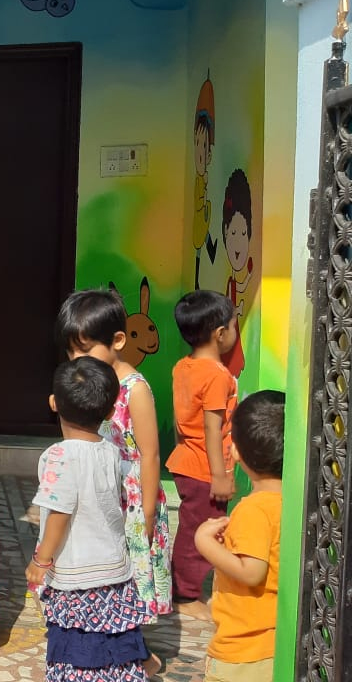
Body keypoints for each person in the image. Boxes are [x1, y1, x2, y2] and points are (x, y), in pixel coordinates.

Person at [57, 289, 172, 670]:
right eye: (71, 352)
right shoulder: (88, 384)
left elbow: (150, 454)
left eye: (85, 350)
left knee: (131, 580)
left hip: (133, 504)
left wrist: (148, 512)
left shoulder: (135, 389)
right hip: (102, 498)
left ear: (118, 341)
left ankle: (140, 656)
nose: (77, 360)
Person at [26, 357, 150, 681]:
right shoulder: (111, 451)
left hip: (76, 577)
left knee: (77, 648)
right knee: (113, 641)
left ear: (53, 403)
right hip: (114, 570)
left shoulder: (58, 456)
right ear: (110, 413)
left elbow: (59, 512)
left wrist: (41, 560)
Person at [196, 390, 284, 682]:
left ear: (234, 451)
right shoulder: (294, 504)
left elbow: (252, 572)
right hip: (275, 646)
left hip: (243, 651)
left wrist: (205, 544)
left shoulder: (253, 509)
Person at [166, 290, 240, 620]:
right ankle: (185, 594)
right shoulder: (216, 375)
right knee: (200, 531)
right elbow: (213, 428)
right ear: (220, 333)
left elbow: (183, 419)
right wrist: (220, 476)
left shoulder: (184, 367)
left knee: (193, 527)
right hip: (204, 471)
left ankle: (185, 587)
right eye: (234, 326)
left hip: (187, 462)